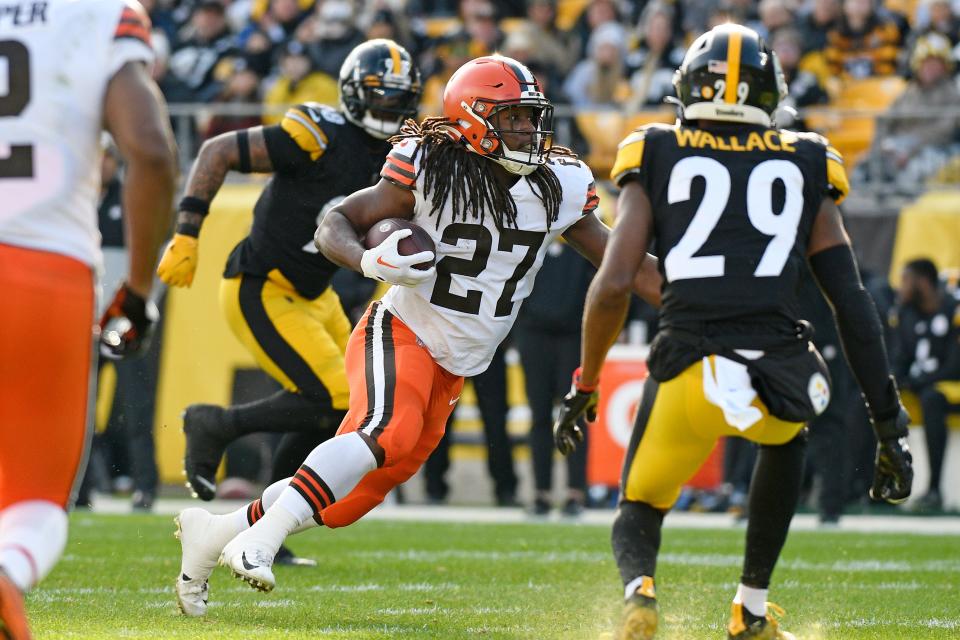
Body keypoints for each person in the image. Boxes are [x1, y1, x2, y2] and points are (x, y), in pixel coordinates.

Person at [171, 55, 661, 612]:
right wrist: (367, 262)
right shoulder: (430, 163)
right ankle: (259, 542)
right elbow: (335, 221)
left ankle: (214, 533)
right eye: (514, 117)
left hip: (461, 359)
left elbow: (624, 264)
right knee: (388, 432)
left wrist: (697, 306)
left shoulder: (559, 183)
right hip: (403, 331)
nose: (529, 129)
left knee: (347, 503)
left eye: (531, 116)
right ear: (473, 119)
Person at [553, 24, 914, 640]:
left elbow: (614, 283)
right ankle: (749, 609)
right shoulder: (806, 157)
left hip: (686, 365)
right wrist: (889, 423)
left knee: (638, 507)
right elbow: (851, 302)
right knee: (786, 439)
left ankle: (641, 595)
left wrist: (585, 385)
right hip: (777, 371)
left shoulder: (656, 149)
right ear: (769, 93)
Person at [158, 39, 420, 613]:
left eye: (403, 98)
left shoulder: (403, 152)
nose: (394, 107)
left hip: (314, 291)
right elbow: (219, 150)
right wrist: (186, 231)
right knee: (334, 397)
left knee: (347, 408)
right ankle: (216, 424)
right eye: (385, 96)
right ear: (353, 93)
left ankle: (271, 526)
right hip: (262, 283)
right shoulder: (316, 133)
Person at [0, 0, 177, 635]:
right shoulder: (99, 14)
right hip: (42, 267)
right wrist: (137, 289)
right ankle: (8, 571)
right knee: (33, 506)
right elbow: (151, 151)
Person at [889, 258, 960, 511]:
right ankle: (870, 487)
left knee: (931, 398)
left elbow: (955, 365)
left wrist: (919, 381)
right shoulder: (905, 314)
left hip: (948, 387)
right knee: (873, 397)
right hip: (922, 384)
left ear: (923, 282)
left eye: (905, 280)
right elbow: (900, 358)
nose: (900, 287)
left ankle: (934, 489)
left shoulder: (954, 310)